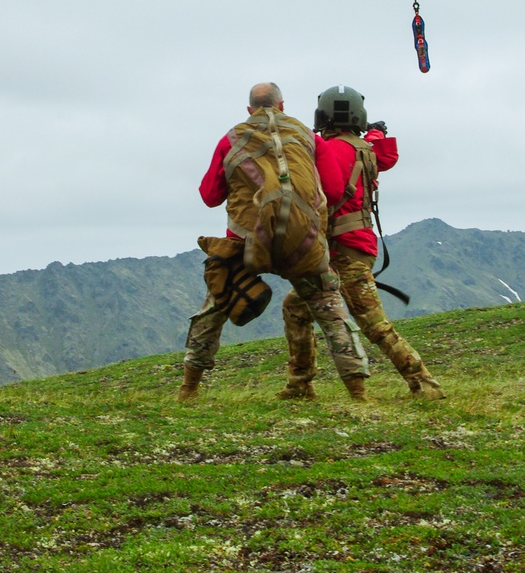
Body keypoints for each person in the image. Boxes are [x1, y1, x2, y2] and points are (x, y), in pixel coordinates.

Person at [179, 82, 370, 401]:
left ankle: (189, 388)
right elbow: (335, 192)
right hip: (303, 240)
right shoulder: (308, 137)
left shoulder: (232, 138)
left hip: (245, 241)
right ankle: (358, 391)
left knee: (215, 303)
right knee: (330, 309)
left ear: (250, 110)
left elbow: (209, 197)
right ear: (282, 106)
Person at [280, 84, 444, 400]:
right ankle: (299, 384)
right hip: (360, 245)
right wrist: (375, 133)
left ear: (322, 115)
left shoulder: (325, 150)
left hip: (340, 249)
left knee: (372, 322)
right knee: (296, 306)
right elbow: (386, 152)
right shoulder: (368, 148)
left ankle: (425, 383)